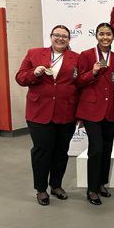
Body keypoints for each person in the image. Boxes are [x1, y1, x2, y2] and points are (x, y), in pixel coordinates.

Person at [15, 25, 80, 206]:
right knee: (41, 151)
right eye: (57, 35)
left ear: (69, 40)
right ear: (51, 36)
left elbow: (80, 85)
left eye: (64, 36)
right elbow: (20, 78)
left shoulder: (77, 58)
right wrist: (33, 74)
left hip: (66, 112)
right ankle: (41, 189)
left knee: (61, 151)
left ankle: (56, 185)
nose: (60, 38)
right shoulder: (34, 54)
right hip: (38, 112)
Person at [76, 23, 114, 206]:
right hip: (91, 111)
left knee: (107, 148)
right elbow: (78, 81)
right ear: (96, 36)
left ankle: (102, 183)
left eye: (108, 34)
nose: (105, 37)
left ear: (112, 37)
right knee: (96, 150)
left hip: (109, 110)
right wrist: (92, 72)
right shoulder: (86, 55)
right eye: (101, 34)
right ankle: (92, 189)